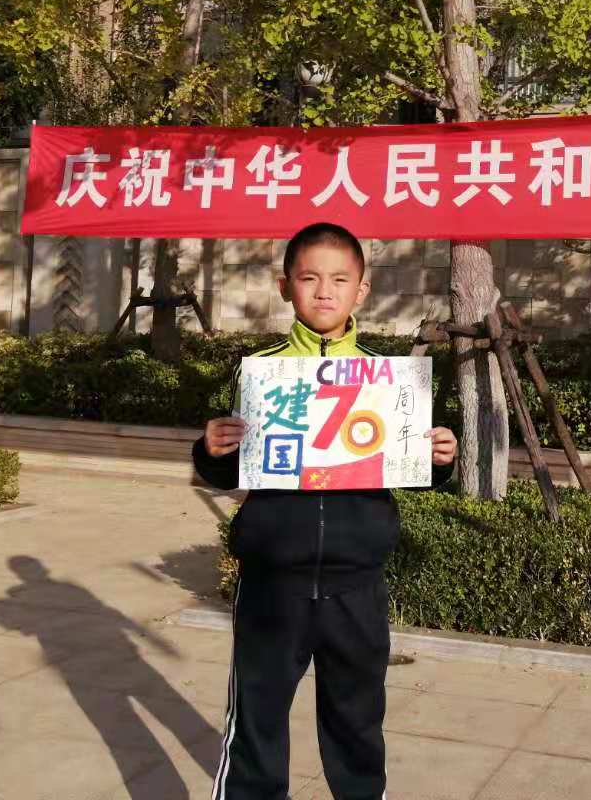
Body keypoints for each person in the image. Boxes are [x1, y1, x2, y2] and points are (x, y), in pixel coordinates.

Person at [193, 222, 458, 800]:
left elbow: (411, 469)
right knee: (257, 720)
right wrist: (211, 451)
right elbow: (230, 467)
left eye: (340, 280)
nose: (323, 291)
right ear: (285, 286)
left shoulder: (388, 379)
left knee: (357, 724)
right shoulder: (255, 370)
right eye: (309, 278)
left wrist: (438, 458)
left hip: (356, 585)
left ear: (362, 291)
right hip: (271, 584)